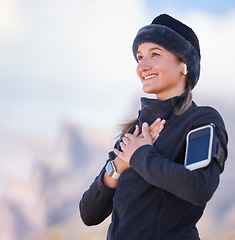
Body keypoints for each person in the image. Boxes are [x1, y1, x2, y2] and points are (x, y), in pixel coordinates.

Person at [79, 14, 228, 240]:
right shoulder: (134, 133)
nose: (142, 66)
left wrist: (140, 155)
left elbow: (199, 187)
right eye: (139, 57)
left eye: (155, 54)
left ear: (184, 65)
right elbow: (89, 213)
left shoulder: (201, 120)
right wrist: (118, 165)